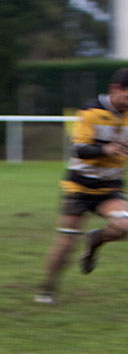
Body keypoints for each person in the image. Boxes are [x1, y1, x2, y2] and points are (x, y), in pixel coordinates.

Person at [36, 68, 128, 304]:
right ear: (114, 90)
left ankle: (96, 239)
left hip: (110, 186)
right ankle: (48, 288)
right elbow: (78, 149)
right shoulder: (91, 111)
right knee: (66, 243)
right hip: (79, 187)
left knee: (125, 225)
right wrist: (105, 149)